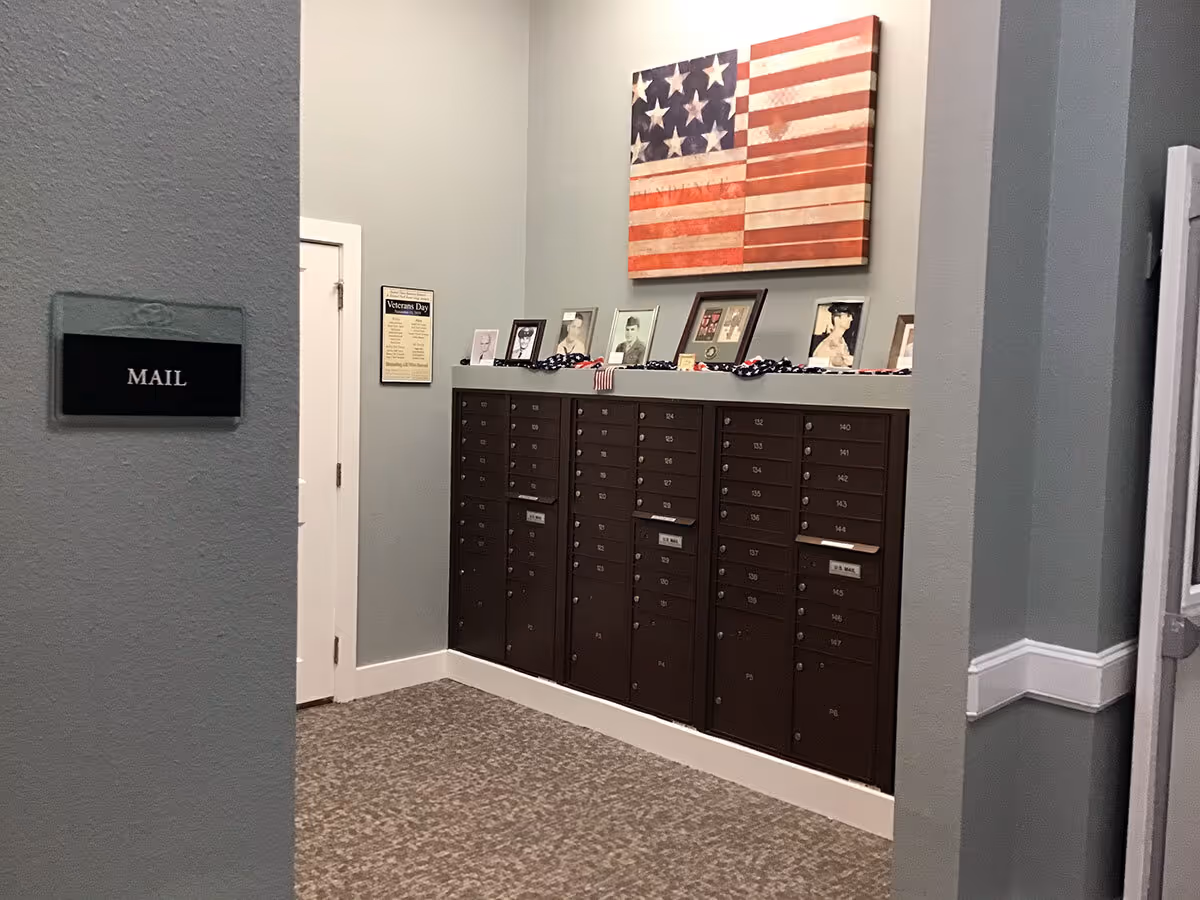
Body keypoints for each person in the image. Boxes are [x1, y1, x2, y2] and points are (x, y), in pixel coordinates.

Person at [811, 303, 857, 367]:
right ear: (837, 319)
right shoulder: (828, 345)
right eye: (848, 315)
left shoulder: (842, 341)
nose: (851, 319)